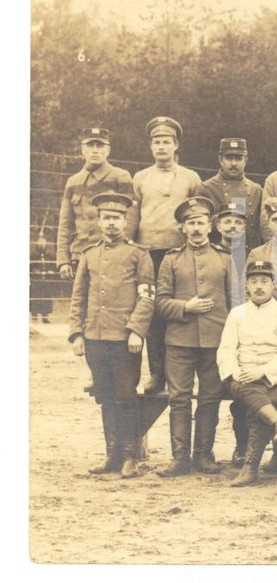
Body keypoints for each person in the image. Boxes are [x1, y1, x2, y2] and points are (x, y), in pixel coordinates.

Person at [67, 193, 154, 479]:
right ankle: (113, 454)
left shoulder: (138, 255)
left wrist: (136, 330)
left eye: (117, 218)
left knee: (126, 396)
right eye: (106, 218)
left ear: (125, 221)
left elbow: (147, 298)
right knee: (105, 397)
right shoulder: (89, 254)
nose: (111, 223)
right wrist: (77, 334)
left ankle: (131, 457)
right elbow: (78, 297)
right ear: (99, 221)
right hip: (94, 337)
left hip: (124, 339)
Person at [154, 196, 234, 477]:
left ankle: (204, 455)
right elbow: (160, 302)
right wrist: (185, 307)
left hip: (215, 340)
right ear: (183, 228)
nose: (197, 228)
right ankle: (179, 458)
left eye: (201, 222)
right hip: (179, 341)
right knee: (179, 398)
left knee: (210, 398)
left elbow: (236, 305)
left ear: (210, 225)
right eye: (191, 223)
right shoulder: (171, 259)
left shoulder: (225, 258)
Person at [133, 117, 203, 395]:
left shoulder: (190, 178)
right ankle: (155, 374)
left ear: (176, 146)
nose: (161, 147)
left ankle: (183, 376)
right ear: (151, 146)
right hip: (148, 254)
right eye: (156, 142)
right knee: (152, 316)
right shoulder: (140, 178)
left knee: (182, 311)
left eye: (167, 142)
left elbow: (198, 216)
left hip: (179, 254)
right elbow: (133, 217)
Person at [216, 260, 277, 487]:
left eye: (264, 281)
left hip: (270, 377)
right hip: (240, 377)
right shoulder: (237, 313)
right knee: (258, 398)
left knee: (267, 401)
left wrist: (262, 372)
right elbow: (226, 348)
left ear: (274, 285)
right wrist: (235, 372)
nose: (259, 286)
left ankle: (250, 468)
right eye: (254, 282)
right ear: (247, 286)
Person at [57, 127, 137, 281]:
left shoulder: (120, 176)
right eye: (90, 146)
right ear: (82, 149)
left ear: (108, 150)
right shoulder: (73, 182)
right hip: (80, 255)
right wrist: (63, 260)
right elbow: (65, 224)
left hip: (112, 255)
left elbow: (131, 219)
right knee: (79, 302)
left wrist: (123, 252)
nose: (95, 150)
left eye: (99, 146)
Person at [213, 202, 252, 465]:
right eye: (227, 221)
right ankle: (205, 450)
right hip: (217, 331)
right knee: (213, 393)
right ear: (217, 226)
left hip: (246, 332)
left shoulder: (251, 256)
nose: (232, 227)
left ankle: (243, 447)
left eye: (238, 222)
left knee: (243, 394)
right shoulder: (211, 254)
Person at [196, 138, 264, 250]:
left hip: (250, 253)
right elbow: (199, 224)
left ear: (245, 160)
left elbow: (263, 226)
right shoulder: (206, 189)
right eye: (228, 158)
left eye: (238, 158)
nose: (233, 163)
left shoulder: (256, 190)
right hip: (217, 252)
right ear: (220, 160)